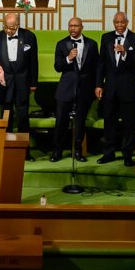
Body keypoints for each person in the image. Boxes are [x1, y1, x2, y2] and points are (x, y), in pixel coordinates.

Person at [95, 11, 135, 167]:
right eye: (117, 22)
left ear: (127, 22)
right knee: (109, 122)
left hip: (129, 88)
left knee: (129, 124)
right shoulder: (106, 38)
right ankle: (108, 153)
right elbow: (101, 63)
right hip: (110, 88)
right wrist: (98, 84)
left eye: (122, 22)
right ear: (113, 23)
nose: (119, 25)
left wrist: (125, 53)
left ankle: (127, 155)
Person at [0, 13, 38, 160]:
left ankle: (25, 152)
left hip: (23, 82)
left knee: (23, 117)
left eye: (11, 28)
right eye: (6, 27)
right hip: (5, 82)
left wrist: (33, 83)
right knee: (6, 116)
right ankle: (6, 151)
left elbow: (33, 62)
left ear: (18, 25)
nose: (8, 31)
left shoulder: (29, 36)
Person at [50, 17, 98, 163]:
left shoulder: (92, 44)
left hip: (85, 89)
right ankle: (57, 151)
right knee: (61, 122)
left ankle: (77, 151)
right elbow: (58, 66)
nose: (73, 28)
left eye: (76, 26)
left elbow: (97, 67)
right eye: (71, 25)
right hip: (65, 89)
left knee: (80, 122)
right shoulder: (61, 44)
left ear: (82, 27)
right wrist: (68, 58)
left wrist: (97, 85)